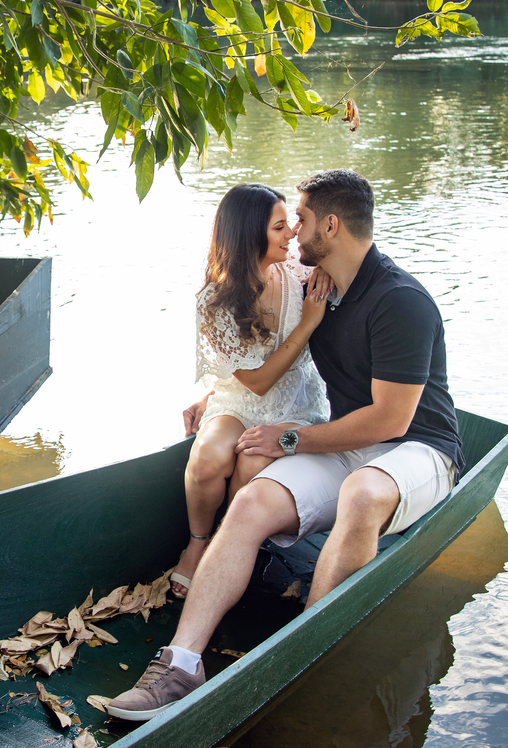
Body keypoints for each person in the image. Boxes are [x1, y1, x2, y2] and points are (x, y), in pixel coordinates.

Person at [105, 168, 465, 722]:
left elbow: (392, 421)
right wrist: (214, 393)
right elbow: (255, 343)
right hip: (349, 440)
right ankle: (179, 665)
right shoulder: (318, 285)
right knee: (249, 503)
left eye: (299, 219)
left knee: (363, 494)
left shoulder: (401, 301)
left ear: (331, 224)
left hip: (421, 449)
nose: (293, 232)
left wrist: (290, 437)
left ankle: (307, 656)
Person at [172, 182, 331, 600]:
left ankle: (230, 544)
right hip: (241, 399)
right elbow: (257, 382)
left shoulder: (301, 275)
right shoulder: (215, 302)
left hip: (296, 400)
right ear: (249, 236)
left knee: (251, 462)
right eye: (280, 227)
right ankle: (198, 543)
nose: (292, 233)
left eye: (289, 224)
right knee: (207, 455)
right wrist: (307, 325)